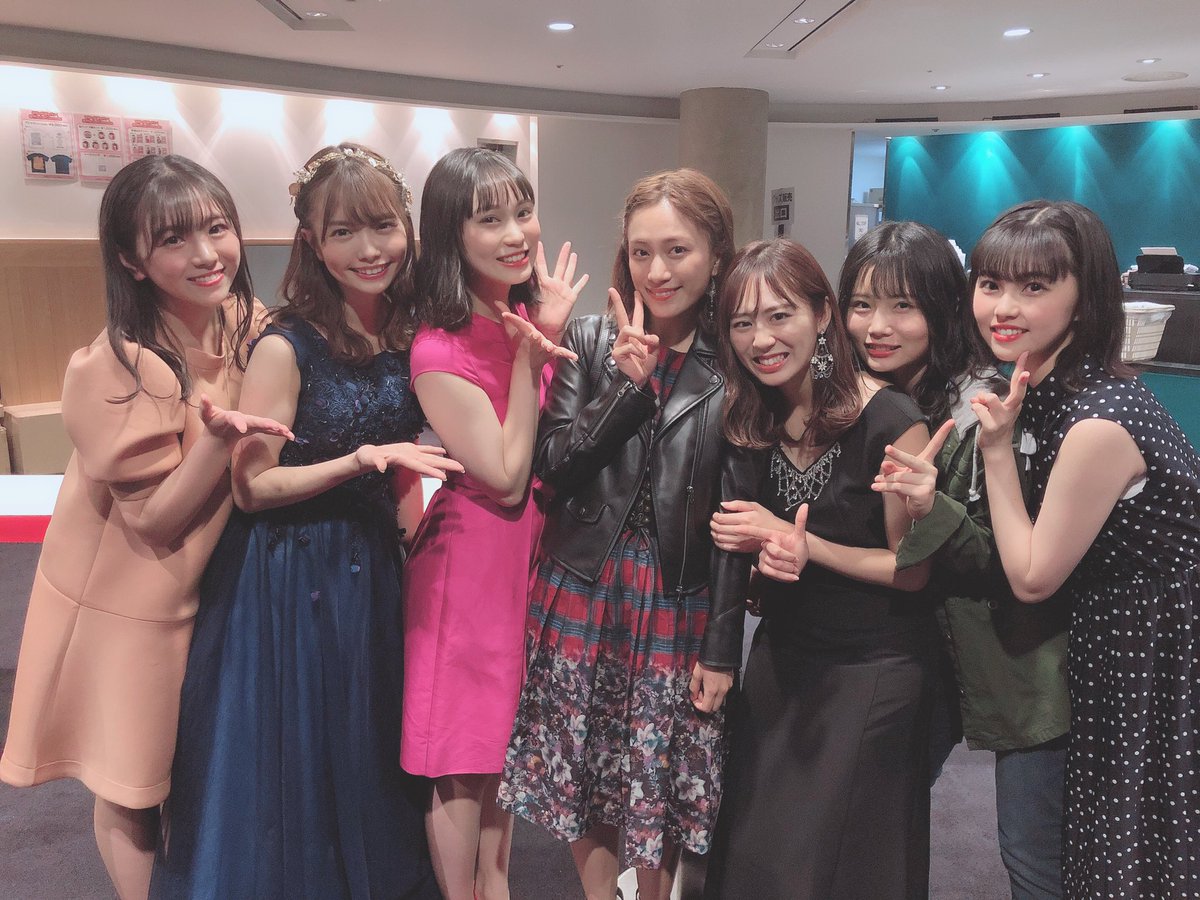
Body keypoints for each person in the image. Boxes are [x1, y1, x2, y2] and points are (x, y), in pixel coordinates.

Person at [147, 143, 457, 898]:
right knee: (299, 758)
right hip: (288, 574)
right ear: (313, 242)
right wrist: (360, 461)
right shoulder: (286, 344)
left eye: (383, 226)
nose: (369, 249)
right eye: (343, 232)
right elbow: (252, 486)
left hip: (370, 565)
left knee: (364, 743)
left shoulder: (406, 331)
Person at [0, 155, 292, 900]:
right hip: (124, 606)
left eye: (217, 228)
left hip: (210, 586)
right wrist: (221, 440)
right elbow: (155, 518)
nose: (206, 254)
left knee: (198, 767)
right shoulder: (114, 367)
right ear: (131, 260)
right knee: (132, 785)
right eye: (173, 239)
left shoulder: (245, 321)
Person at [499, 168, 739, 900]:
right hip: (582, 583)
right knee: (583, 766)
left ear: (716, 256)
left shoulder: (734, 361)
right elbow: (552, 468)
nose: (657, 271)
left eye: (677, 250)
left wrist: (723, 644)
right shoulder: (592, 336)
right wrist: (626, 390)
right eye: (641, 252)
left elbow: (737, 517)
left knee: (658, 772)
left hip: (676, 595)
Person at [965, 200, 1199, 898]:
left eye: (1034, 286)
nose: (1004, 307)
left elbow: (1033, 574)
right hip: (1102, 640)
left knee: (1112, 854)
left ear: (1085, 296)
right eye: (990, 283)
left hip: (1143, 653)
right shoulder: (1047, 384)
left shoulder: (1099, 418)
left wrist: (996, 451)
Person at [844, 222, 1070, 900]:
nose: (877, 327)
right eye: (861, 305)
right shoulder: (865, 394)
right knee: (874, 806)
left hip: (1004, 657)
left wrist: (929, 507)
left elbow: (1006, 565)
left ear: (942, 309)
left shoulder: (981, 411)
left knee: (1030, 853)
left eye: (902, 306)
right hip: (913, 645)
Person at [703, 238, 933, 900]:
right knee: (752, 857)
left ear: (822, 314)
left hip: (873, 664)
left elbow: (912, 570)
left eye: (780, 316)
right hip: (782, 658)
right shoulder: (751, 417)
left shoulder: (891, 418)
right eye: (742, 323)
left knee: (831, 862)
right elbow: (762, 567)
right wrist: (760, 570)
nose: (761, 340)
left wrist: (805, 546)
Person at [402, 147, 585, 900]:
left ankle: (496, 885)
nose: (516, 234)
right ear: (452, 234)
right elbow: (505, 478)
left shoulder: (522, 318)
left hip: (526, 556)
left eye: (523, 212)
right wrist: (529, 355)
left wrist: (538, 339)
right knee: (459, 757)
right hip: (471, 562)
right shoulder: (438, 347)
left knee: (500, 742)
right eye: (489, 219)